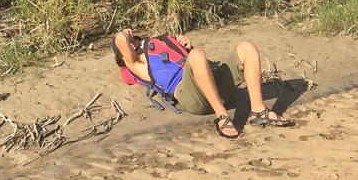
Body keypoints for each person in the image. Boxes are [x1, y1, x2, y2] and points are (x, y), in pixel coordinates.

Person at [112, 28, 294, 138]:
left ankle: (258, 110)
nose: (132, 39)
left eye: (133, 37)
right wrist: (124, 33)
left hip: (212, 88)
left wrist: (187, 48)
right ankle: (222, 117)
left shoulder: (158, 44)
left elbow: (199, 65)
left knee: (247, 47)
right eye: (129, 41)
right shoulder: (135, 63)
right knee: (197, 54)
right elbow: (120, 40)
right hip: (189, 96)